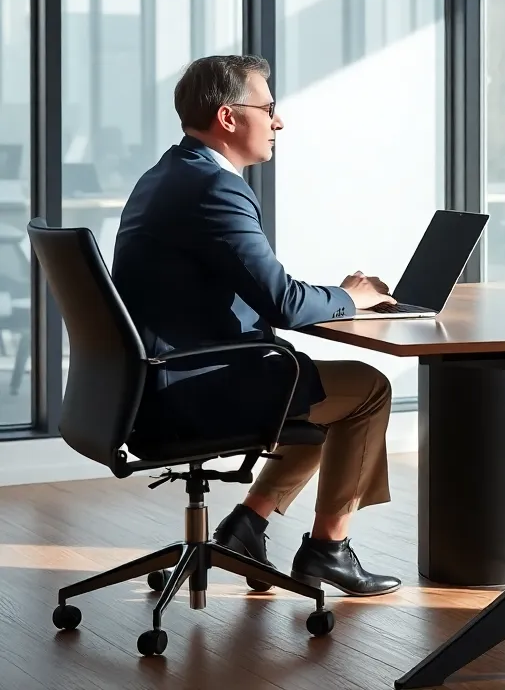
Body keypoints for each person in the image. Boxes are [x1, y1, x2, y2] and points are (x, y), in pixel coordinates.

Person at [112, 55, 401, 597]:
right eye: (268, 108)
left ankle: (248, 524)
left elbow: (260, 290)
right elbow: (283, 304)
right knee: (365, 390)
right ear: (228, 117)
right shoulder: (214, 189)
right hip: (190, 389)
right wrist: (351, 298)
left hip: (151, 383)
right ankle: (328, 550)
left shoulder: (169, 174)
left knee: (306, 385)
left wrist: (333, 297)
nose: (279, 121)